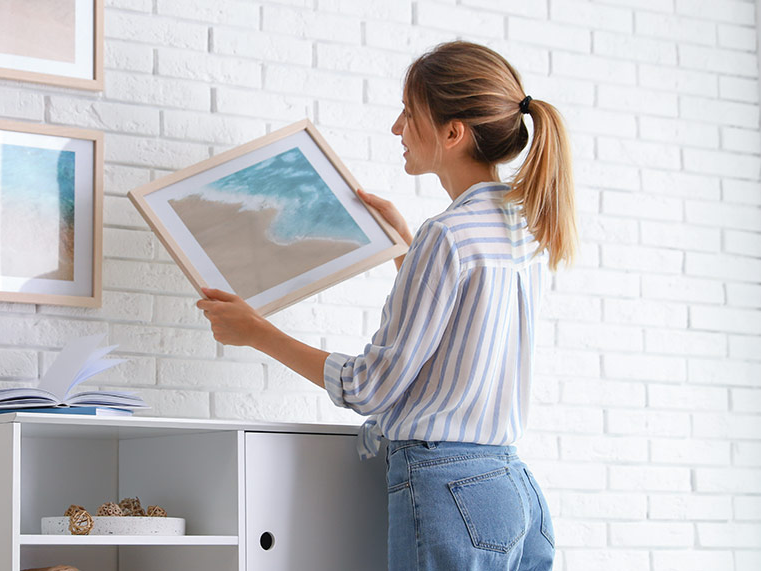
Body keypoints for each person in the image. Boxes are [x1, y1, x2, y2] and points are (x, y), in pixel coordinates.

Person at [196, 41, 575, 571]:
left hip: (446, 490)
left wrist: (256, 332)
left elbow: (369, 387)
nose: (397, 128)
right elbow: (455, 340)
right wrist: (405, 250)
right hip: (514, 491)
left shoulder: (446, 237)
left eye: (408, 112)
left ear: (452, 132)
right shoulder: (522, 229)